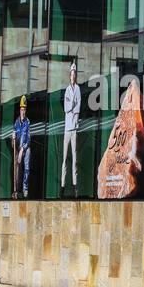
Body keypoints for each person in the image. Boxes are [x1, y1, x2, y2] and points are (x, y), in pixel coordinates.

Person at [61, 62, 81, 195]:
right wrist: (72, 105)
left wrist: (72, 105)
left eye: (74, 74)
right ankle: (62, 185)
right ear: (70, 76)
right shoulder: (67, 90)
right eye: (71, 74)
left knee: (74, 157)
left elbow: (77, 107)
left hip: (74, 127)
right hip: (67, 128)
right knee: (65, 158)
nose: (73, 76)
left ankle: (74, 184)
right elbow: (66, 108)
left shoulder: (78, 89)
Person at [12, 95, 31, 198]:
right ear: (20, 110)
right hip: (18, 149)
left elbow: (28, 139)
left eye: (24, 110)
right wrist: (13, 138)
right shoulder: (16, 123)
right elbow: (13, 141)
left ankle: (25, 188)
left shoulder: (27, 122)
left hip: (25, 148)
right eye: (22, 109)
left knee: (26, 168)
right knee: (17, 169)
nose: (23, 112)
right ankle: (17, 189)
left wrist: (22, 149)